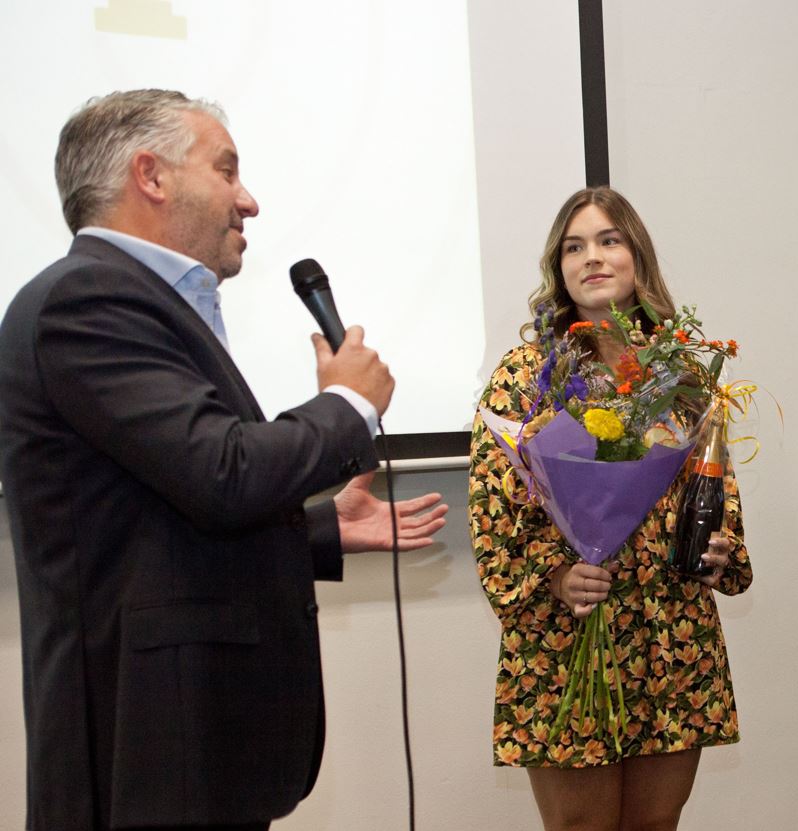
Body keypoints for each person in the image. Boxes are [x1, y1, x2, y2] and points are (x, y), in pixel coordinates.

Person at [0, 89, 449, 831]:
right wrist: (348, 406)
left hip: (186, 744)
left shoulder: (127, 298)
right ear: (151, 175)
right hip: (146, 747)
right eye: (227, 170)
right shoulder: (88, 298)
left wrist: (320, 528)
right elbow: (221, 473)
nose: (250, 201)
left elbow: (153, 518)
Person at [468, 186, 752, 831]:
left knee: (657, 824)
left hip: (670, 629)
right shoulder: (524, 375)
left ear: (637, 258)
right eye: (574, 246)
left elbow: (716, 484)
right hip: (567, 632)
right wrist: (554, 577)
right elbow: (492, 509)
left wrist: (719, 548)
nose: (591, 257)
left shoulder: (681, 373)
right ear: (558, 267)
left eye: (608, 240)